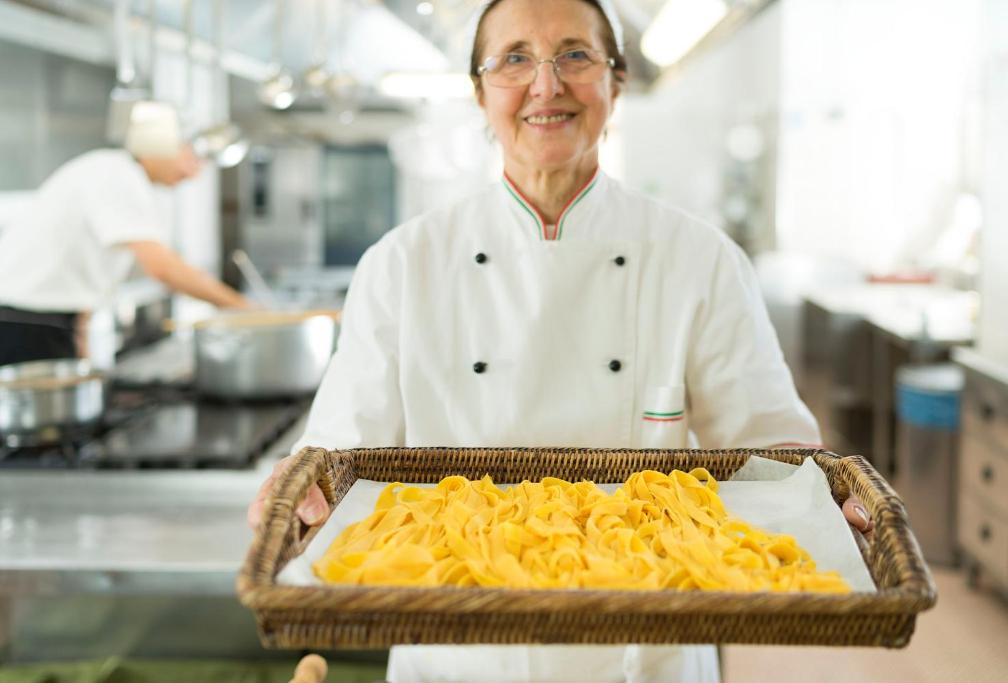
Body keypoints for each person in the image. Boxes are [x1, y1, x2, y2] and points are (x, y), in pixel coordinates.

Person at [248, 0, 874, 680]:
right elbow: (343, 452)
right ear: (480, 91)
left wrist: (823, 499)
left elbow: (770, 453)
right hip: (457, 653)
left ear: (616, 81)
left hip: (645, 647)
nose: (546, 86)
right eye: (515, 58)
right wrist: (303, 489)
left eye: (574, 55)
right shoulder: (401, 264)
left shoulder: (700, 258)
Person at [0, 102, 251, 371]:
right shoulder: (117, 175)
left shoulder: (119, 174)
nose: (195, 171)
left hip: (35, 321)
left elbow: (78, 271)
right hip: (18, 324)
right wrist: (243, 309)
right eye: (192, 156)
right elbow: (165, 269)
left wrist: (81, 338)